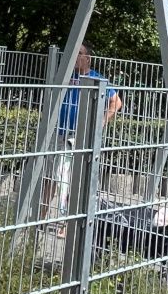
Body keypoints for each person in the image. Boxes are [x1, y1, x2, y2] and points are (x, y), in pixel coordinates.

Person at [40, 43, 122, 232]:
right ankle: (40, 218)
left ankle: (67, 225)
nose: (75, 57)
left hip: (79, 137)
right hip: (59, 133)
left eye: (79, 53)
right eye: (73, 53)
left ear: (88, 59)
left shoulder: (96, 79)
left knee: (71, 181)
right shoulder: (65, 76)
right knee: (50, 177)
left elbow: (116, 102)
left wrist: (101, 122)